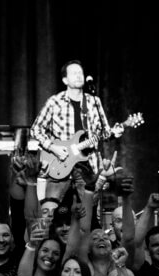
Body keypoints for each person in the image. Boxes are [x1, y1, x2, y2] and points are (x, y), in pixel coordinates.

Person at [30, 60, 113, 199]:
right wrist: (52, 147)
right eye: (74, 73)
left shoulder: (94, 101)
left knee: (87, 213)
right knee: (54, 211)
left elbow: (105, 133)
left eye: (80, 73)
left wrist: (115, 132)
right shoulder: (55, 102)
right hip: (60, 163)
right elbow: (35, 129)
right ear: (65, 80)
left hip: (88, 165)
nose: (79, 76)